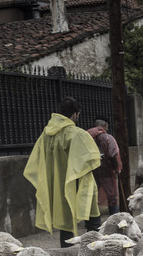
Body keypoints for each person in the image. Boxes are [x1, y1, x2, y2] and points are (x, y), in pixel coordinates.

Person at [24, 96, 102, 246]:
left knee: (66, 223)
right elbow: (92, 158)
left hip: (58, 184)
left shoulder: (46, 135)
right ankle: (94, 253)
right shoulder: (77, 133)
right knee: (93, 222)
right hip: (80, 181)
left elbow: (38, 158)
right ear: (74, 114)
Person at [87, 117, 122, 217]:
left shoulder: (86, 136)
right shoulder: (108, 138)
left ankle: (92, 219)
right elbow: (112, 154)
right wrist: (117, 168)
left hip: (91, 171)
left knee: (93, 195)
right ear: (105, 125)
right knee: (112, 195)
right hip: (106, 171)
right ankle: (114, 216)